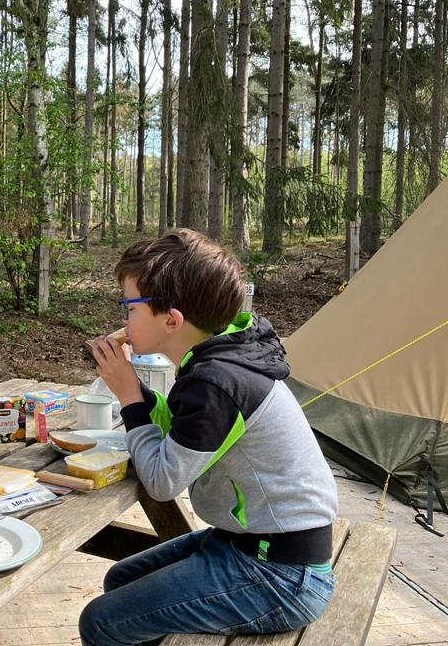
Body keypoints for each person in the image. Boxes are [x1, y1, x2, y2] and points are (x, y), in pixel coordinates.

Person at [81, 229, 338, 645]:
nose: (123, 319)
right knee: (121, 576)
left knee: (102, 621)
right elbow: (185, 426)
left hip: (282, 573)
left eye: (128, 306)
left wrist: (129, 396)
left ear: (171, 320)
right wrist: (132, 389)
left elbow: (163, 482)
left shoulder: (219, 382)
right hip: (249, 543)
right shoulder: (223, 357)